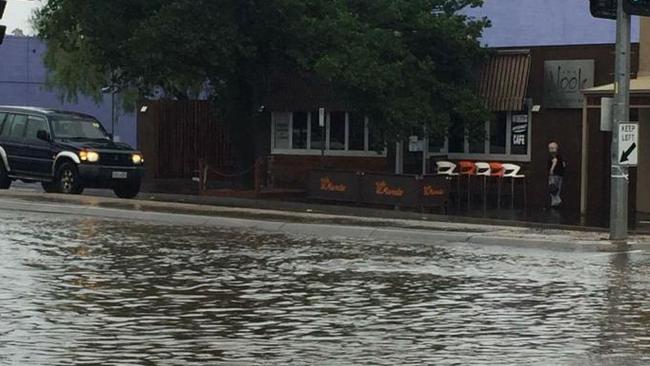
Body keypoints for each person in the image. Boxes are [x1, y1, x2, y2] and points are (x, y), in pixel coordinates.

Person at [548, 142, 565, 208]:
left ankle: (556, 201)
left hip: (554, 174)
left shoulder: (553, 155)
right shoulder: (560, 156)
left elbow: (554, 161)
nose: (550, 150)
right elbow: (564, 164)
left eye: (551, 148)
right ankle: (554, 203)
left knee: (552, 188)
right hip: (560, 174)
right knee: (557, 189)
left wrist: (551, 170)